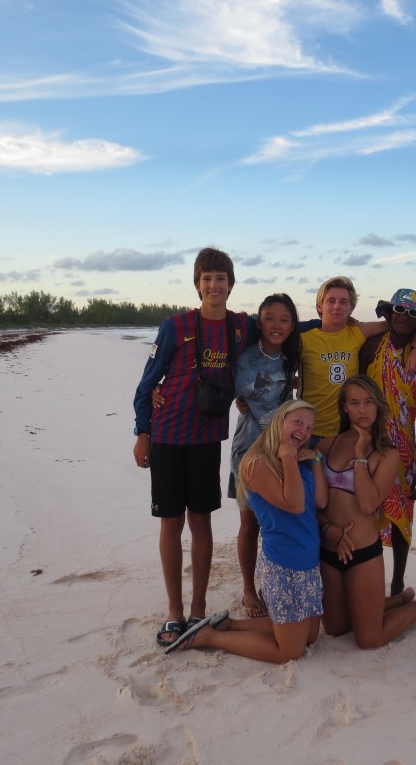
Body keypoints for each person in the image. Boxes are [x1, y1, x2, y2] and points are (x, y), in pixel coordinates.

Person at [131, 247, 256, 648]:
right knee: (171, 523)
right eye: (207, 279)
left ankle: (199, 609)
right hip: (167, 438)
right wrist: (142, 432)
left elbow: (284, 328)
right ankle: (175, 612)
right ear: (197, 284)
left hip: (205, 441)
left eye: (221, 278)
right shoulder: (176, 326)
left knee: (201, 522)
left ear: (231, 285)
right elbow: (147, 382)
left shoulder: (241, 327)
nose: (214, 285)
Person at [166, 400, 327, 662]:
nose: (304, 432)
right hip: (285, 566)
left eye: (309, 428)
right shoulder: (256, 462)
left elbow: (320, 502)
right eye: (297, 422)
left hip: (308, 562)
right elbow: (295, 504)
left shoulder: (302, 459)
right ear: (279, 421)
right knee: (290, 651)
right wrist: (287, 455)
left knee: (309, 636)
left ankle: (228, 626)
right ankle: (209, 637)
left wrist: (316, 460)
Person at [317, 376, 416, 649]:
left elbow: (368, 504)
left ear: (378, 406)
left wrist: (359, 455)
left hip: (363, 553)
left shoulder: (387, 454)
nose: (363, 410)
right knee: (335, 628)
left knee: (369, 639)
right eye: (355, 403)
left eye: (369, 402)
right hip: (330, 549)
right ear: (344, 407)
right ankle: (397, 600)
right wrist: (327, 529)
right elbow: (315, 503)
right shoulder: (326, 445)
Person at [359, 288, 416, 597]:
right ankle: (368, 579)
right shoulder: (368, 349)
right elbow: (351, 396)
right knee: (366, 512)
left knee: (401, 517)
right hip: (367, 445)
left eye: (412, 313)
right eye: (399, 310)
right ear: (389, 313)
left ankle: (396, 584)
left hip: (404, 450)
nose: (404, 318)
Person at [229, 294, 301, 618]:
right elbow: (248, 402)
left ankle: (272, 582)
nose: (276, 325)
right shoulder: (244, 358)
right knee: (251, 522)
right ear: (259, 322)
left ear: (292, 325)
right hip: (251, 448)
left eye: (284, 319)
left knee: (278, 520)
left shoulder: (291, 358)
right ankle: (248, 589)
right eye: (269, 318)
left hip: (282, 448)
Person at [299, 276, 416, 442]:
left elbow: (405, 324)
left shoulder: (358, 333)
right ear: (319, 306)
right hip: (311, 429)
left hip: (348, 429)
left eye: (343, 302)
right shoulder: (303, 339)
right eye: (331, 301)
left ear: (351, 308)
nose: (337, 306)